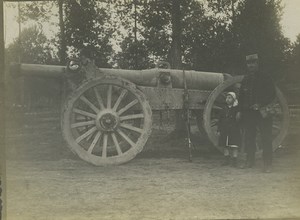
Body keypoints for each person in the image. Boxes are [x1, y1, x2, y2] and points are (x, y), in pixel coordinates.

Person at [238, 54, 276, 173]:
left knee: (266, 138)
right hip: (249, 113)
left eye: (253, 63)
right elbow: (241, 96)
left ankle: (267, 164)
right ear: (247, 65)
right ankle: (250, 161)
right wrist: (240, 110)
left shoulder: (266, 78)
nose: (251, 65)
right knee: (249, 137)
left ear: (257, 64)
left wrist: (260, 104)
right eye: (249, 64)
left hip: (263, 112)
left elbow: (272, 94)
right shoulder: (246, 79)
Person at [217, 92, 241, 167]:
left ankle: (235, 161)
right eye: (227, 98)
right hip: (224, 130)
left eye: (230, 98)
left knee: (234, 146)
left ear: (234, 99)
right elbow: (220, 120)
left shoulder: (236, 109)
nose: (227, 99)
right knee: (225, 146)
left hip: (233, 130)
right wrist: (218, 129)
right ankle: (226, 160)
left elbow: (239, 117)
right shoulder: (224, 109)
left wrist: (236, 106)